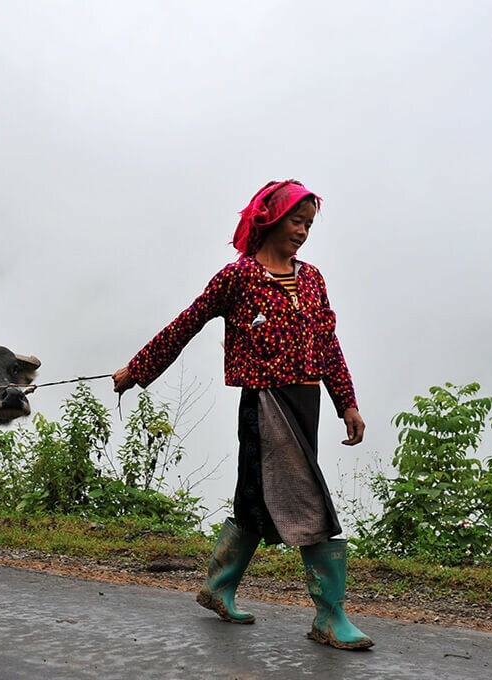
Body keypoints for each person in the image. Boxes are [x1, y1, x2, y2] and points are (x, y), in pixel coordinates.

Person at [112, 179, 373, 650]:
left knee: (258, 498)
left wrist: (346, 402)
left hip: (306, 400)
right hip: (264, 402)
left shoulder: (311, 278)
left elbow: (328, 344)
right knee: (307, 500)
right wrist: (137, 369)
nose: (303, 232)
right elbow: (185, 324)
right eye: (297, 221)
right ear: (270, 218)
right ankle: (329, 616)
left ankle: (218, 586)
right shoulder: (237, 278)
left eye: (309, 224)